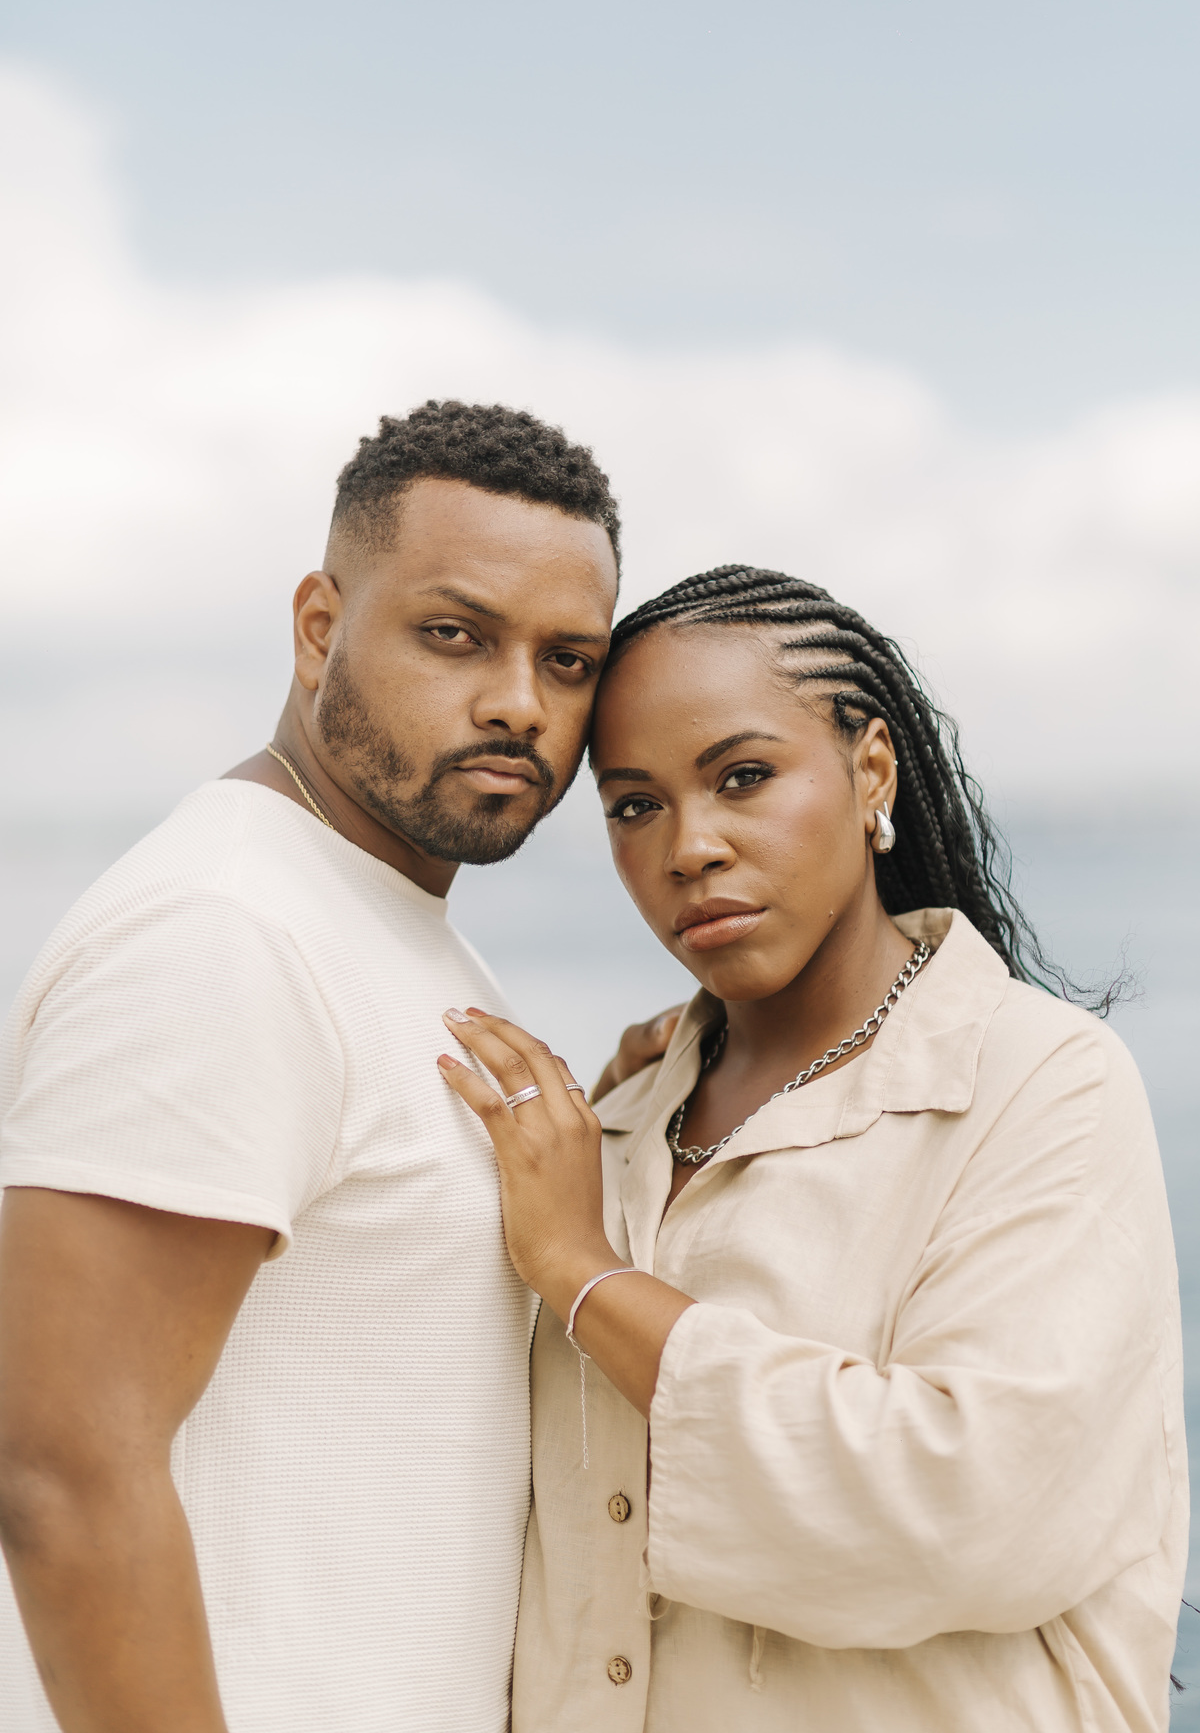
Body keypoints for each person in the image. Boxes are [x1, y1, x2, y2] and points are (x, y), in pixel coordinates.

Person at [439, 565, 1188, 1733]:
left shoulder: (1043, 1083)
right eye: (634, 806)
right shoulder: (615, 1133)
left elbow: (971, 1514)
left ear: (870, 770)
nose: (690, 847)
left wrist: (586, 1277)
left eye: (744, 777)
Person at [0, 400, 624, 1733]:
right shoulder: (223, 932)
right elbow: (60, 1474)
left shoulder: (390, 930)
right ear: (319, 627)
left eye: (568, 660)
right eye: (456, 635)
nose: (520, 703)